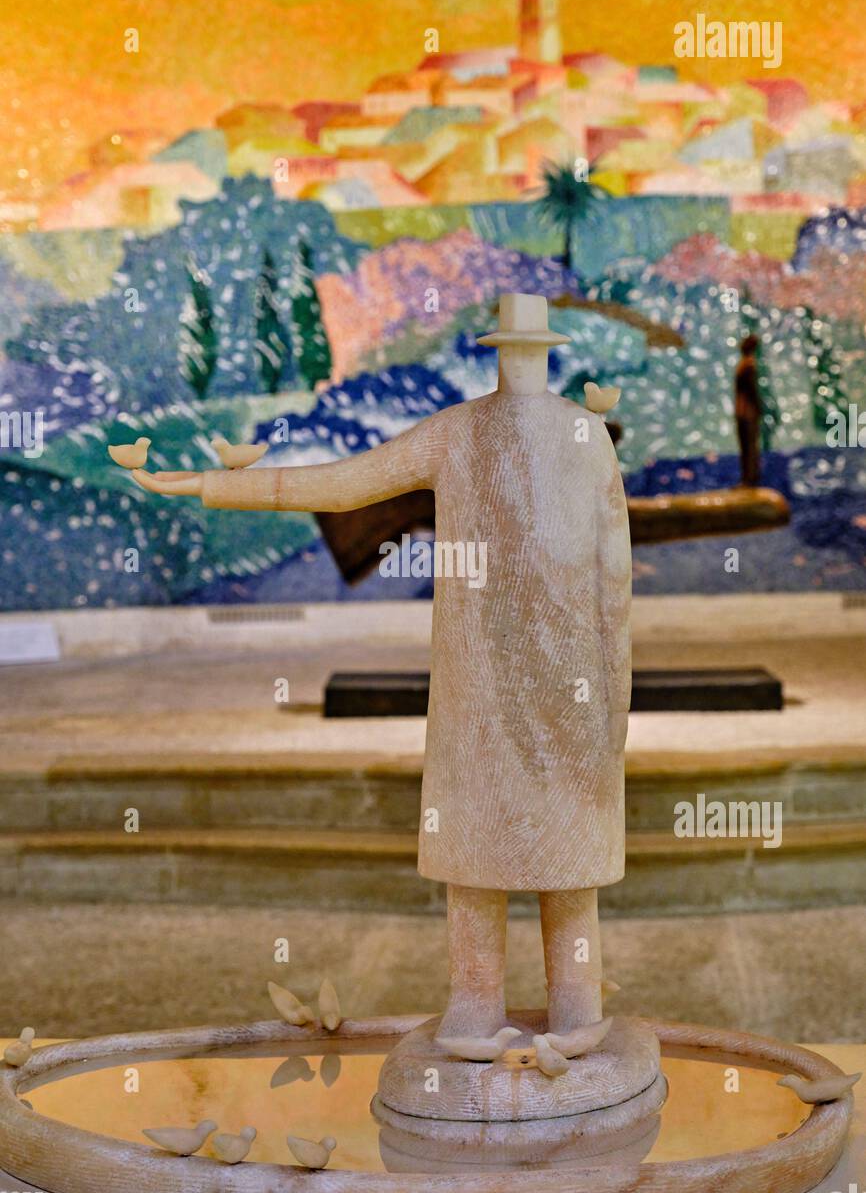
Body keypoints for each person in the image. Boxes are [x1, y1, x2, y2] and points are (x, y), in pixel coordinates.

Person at [131, 294, 631, 1040]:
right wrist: (615, 696)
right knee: (531, 849)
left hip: (518, 679)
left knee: (500, 846)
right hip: (539, 677)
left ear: (505, 349)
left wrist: (209, 484)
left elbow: (341, 482)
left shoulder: (473, 432)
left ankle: (505, 1006)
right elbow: (613, 582)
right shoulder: (569, 433)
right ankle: (545, 1005)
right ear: (539, 349)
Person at [735, 333, 762, 487]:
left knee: (749, 446)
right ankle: (749, 477)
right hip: (747, 411)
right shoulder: (748, 364)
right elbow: (752, 390)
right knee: (749, 446)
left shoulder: (746, 364)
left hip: (745, 411)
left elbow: (751, 389)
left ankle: (750, 478)